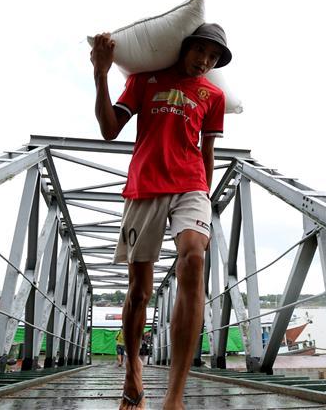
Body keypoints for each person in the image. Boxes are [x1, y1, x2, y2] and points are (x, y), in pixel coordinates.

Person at [90, 23, 231, 410]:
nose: (205, 61)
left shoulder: (213, 94)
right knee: (140, 293)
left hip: (191, 185)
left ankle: (174, 396)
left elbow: (208, 149)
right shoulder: (144, 80)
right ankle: (132, 367)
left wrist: (206, 192)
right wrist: (101, 74)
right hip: (145, 186)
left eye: (214, 57)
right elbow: (108, 129)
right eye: (200, 50)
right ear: (184, 47)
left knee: (194, 258)